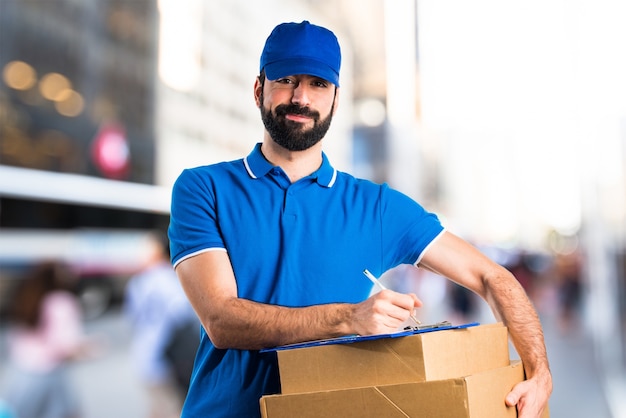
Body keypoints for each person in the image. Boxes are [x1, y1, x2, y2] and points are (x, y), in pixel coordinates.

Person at [168, 20, 552, 418]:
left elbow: (493, 277)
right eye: (286, 79)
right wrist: (350, 317)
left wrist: (540, 373)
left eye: (318, 84)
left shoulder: (378, 207)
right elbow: (222, 320)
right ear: (258, 89)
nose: (301, 97)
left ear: (335, 100)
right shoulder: (203, 188)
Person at [2, 262, 93, 418]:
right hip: (50, 374)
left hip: (23, 373)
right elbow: (66, 346)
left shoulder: (27, 297)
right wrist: (90, 349)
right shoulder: (61, 301)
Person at [124, 231, 200, 418]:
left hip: (144, 355)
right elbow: (184, 316)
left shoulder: (137, 282)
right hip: (167, 360)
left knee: (159, 407)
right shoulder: (171, 278)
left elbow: (131, 319)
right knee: (174, 409)